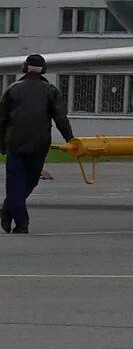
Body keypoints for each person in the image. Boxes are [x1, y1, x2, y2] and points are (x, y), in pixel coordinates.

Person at [0, 55, 75, 233]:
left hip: (15, 144)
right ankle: (19, 221)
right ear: (44, 69)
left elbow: (2, 119)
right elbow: (61, 118)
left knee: (15, 183)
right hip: (39, 145)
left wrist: (1, 143)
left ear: (24, 68)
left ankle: (10, 212)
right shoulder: (51, 90)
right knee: (30, 181)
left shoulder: (12, 89)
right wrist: (70, 139)